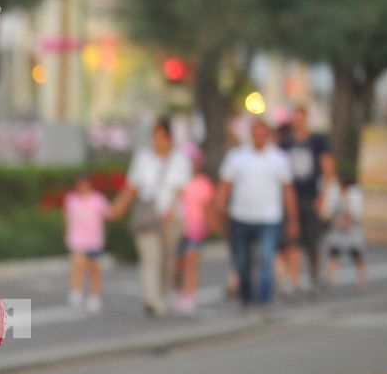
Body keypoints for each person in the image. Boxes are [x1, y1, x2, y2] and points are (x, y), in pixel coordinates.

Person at [109, 117, 192, 316]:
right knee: (150, 257)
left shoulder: (180, 159)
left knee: (167, 259)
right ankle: (151, 298)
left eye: (162, 137)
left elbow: (182, 190)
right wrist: (118, 206)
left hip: (171, 217)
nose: (158, 141)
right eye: (155, 137)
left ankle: (164, 294)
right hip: (147, 215)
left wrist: (171, 210)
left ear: (169, 138)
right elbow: (132, 187)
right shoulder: (143, 158)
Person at [214, 116, 298, 311]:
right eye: (255, 133)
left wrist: (293, 219)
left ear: (268, 135)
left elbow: (287, 191)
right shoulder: (237, 156)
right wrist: (219, 210)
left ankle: (263, 298)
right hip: (241, 217)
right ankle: (246, 295)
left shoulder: (278, 158)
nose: (259, 137)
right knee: (242, 262)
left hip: (268, 218)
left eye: (262, 134)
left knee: (266, 258)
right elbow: (224, 186)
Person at [277, 105, 335, 296]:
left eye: (301, 117)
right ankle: (293, 278)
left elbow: (328, 170)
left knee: (312, 241)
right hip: (291, 197)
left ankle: (314, 274)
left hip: (311, 197)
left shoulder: (317, 141)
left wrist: (322, 197)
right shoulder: (285, 143)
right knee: (291, 239)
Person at [174, 149, 215, 314]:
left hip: (195, 228)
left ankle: (189, 295)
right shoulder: (178, 181)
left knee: (191, 261)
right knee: (177, 263)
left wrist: (210, 223)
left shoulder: (203, 183)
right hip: (177, 227)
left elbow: (207, 207)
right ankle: (177, 290)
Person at [62, 172, 108, 314]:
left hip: (94, 240)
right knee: (78, 265)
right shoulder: (71, 199)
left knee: (94, 269)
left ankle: (95, 295)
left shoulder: (98, 199)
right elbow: (67, 218)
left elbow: (106, 215)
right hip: (77, 239)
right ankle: (76, 291)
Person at [322, 174, 368, 290]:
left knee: (356, 255)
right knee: (334, 253)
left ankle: (361, 278)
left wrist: (347, 218)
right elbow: (327, 211)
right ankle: (330, 278)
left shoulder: (354, 194)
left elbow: (356, 212)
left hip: (351, 230)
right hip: (337, 230)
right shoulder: (334, 193)